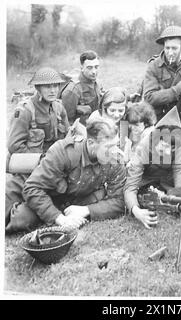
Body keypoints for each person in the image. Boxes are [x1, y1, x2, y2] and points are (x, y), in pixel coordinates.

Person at [5, 118, 126, 234]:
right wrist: (60, 219)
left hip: (63, 199)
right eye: (108, 146)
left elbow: (119, 201)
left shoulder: (115, 159)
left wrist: (86, 210)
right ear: (91, 142)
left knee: (22, 219)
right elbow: (32, 188)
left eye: (116, 144)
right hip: (31, 184)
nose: (114, 151)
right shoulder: (64, 151)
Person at [6, 67, 70, 230]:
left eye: (56, 86)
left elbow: (66, 139)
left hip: (51, 173)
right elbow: (15, 146)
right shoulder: (25, 110)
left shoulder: (59, 108)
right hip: (26, 174)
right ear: (37, 88)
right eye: (47, 86)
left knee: (25, 218)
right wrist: (43, 160)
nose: (53, 90)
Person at [124, 106, 181, 229]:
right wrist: (136, 211)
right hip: (145, 180)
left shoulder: (178, 144)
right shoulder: (143, 146)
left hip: (166, 180)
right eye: (163, 145)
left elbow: (179, 172)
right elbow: (131, 186)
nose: (168, 151)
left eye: (171, 147)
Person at [61, 50, 103, 125]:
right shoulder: (73, 90)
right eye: (89, 68)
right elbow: (67, 121)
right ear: (82, 68)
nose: (94, 71)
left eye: (96, 67)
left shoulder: (97, 83)